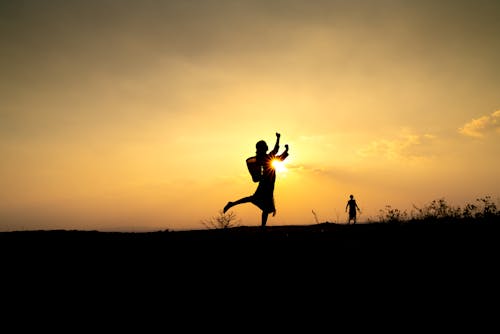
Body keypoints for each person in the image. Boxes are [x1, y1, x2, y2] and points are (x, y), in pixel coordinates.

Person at [223, 132, 289, 229]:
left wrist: (283, 146)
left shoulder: (263, 158)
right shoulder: (263, 158)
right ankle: (232, 204)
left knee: (263, 206)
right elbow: (276, 152)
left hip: (268, 184)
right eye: (264, 147)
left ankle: (262, 226)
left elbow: (276, 153)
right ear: (263, 148)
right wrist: (280, 141)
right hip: (266, 184)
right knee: (257, 201)